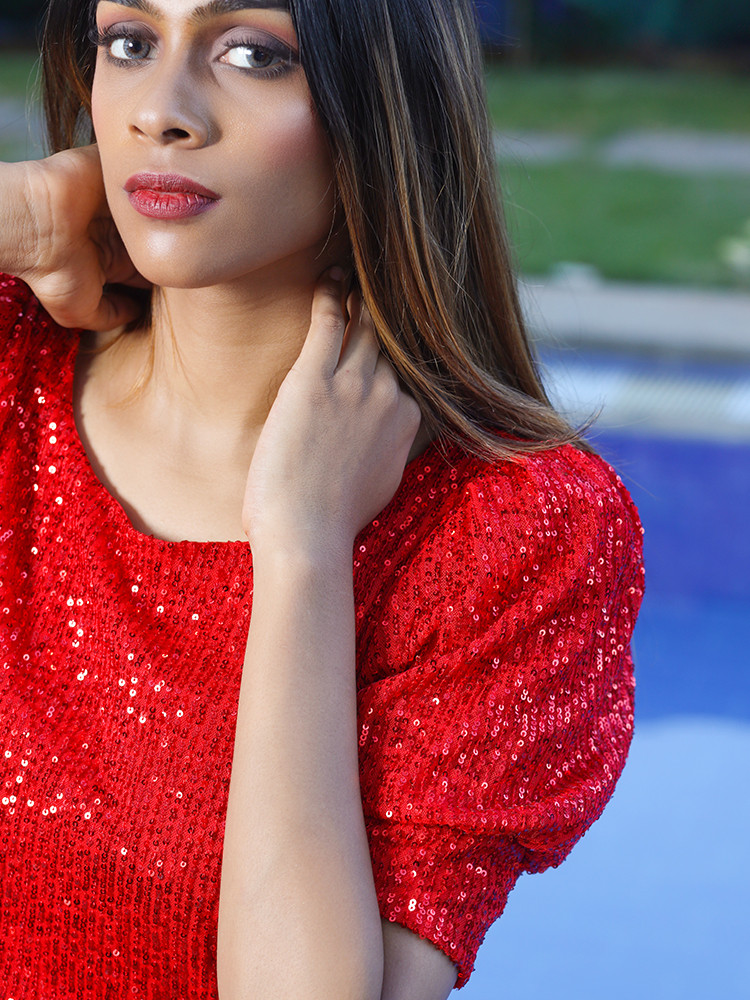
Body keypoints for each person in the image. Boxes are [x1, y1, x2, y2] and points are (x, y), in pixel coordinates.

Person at [0, 0, 645, 997]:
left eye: (253, 54)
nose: (159, 111)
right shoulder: (15, 364)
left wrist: (304, 549)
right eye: (130, 42)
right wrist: (25, 213)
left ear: (384, 101)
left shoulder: (517, 531)